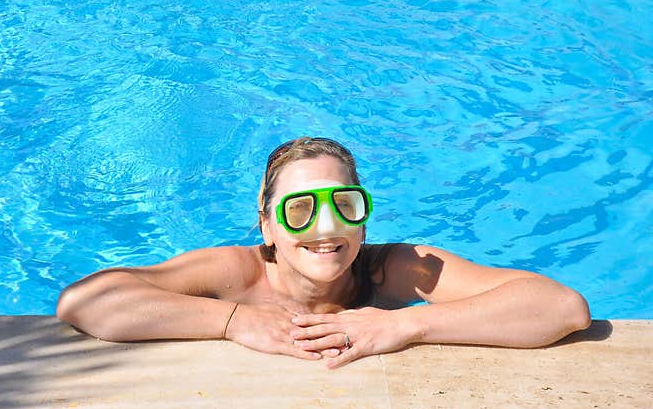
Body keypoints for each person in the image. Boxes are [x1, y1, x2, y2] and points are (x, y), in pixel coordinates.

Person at [55, 136, 591, 369]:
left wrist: (404, 327)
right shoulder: (237, 273)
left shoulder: (394, 270)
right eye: (298, 210)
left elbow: (561, 308)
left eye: (344, 205)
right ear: (266, 225)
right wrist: (232, 321)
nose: (325, 227)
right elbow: (85, 301)